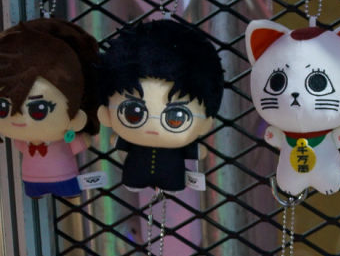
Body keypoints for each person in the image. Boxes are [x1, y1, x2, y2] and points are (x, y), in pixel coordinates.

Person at [94, 19, 225, 192]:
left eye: (176, 118)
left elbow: (197, 152)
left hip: (171, 177)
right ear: (106, 114)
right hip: (140, 174)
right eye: (134, 112)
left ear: (205, 124)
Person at [0, 19, 100, 198]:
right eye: (3, 107)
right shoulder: (22, 140)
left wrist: (78, 132)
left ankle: (66, 191)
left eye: (39, 109)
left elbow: (80, 143)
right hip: (31, 178)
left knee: (67, 188)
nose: (19, 118)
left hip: (64, 176)